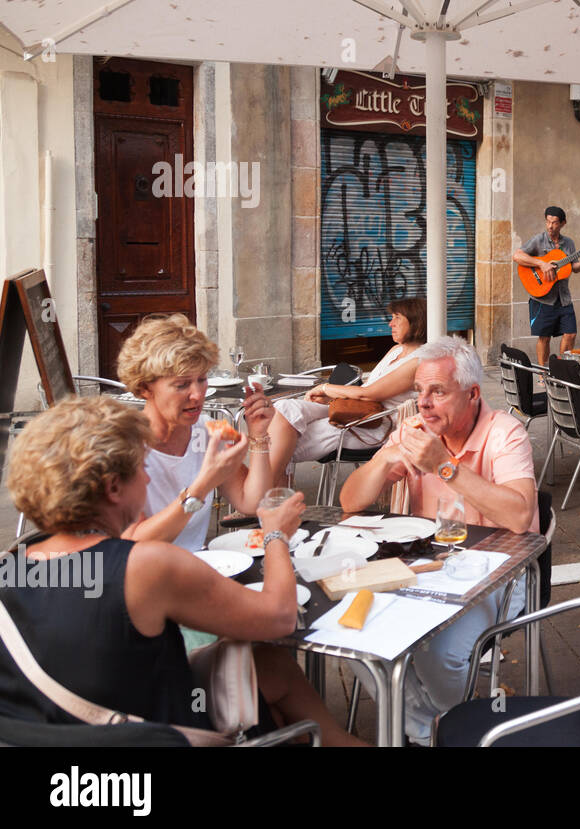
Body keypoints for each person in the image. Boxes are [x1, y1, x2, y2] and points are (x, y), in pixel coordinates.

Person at [0, 397, 365, 745]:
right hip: (157, 736)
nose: (146, 480)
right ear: (113, 488)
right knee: (253, 664)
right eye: (140, 469)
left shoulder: (10, 568)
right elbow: (281, 617)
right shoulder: (143, 565)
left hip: (70, 754)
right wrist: (275, 536)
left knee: (267, 666)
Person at [339, 337, 537, 744]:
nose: (424, 403)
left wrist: (444, 467)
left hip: (496, 574)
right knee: (348, 636)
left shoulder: (506, 433)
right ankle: (433, 728)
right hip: (420, 568)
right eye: (419, 391)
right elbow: (349, 501)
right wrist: (382, 466)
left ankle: (437, 723)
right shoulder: (412, 430)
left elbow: (520, 516)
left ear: (472, 393)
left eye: (438, 392)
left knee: (438, 652)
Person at [114, 314, 273, 551]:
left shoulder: (208, 429)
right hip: (144, 578)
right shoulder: (121, 447)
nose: (198, 394)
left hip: (197, 567)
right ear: (145, 387)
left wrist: (258, 435)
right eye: (182, 385)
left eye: (202, 379)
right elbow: (132, 544)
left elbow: (251, 502)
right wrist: (201, 487)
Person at [266, 298, 425, 482]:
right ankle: (269, 498)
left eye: (397, 317)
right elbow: (365, 391)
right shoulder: (396, 350)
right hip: (355, 410)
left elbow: (369, 393)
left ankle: (265, 500)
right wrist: (330, 401)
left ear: (416, 321)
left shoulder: (418, 360)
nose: (391, 323)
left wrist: (326, 388)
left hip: (374, 423)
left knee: (282, 443)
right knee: (285, 408)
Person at [513, 206, 580, 365]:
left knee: (570, 334)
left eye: (554, 223)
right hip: (543, 298)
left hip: (563, 298)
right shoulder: (538, 240)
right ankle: (543, 373)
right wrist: (541, 264)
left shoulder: (568, 243)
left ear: (563, 223)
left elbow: (573, 267)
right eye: (548, 222)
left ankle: (561, 370)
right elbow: (517, 256)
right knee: (544, 338)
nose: (550, 226)